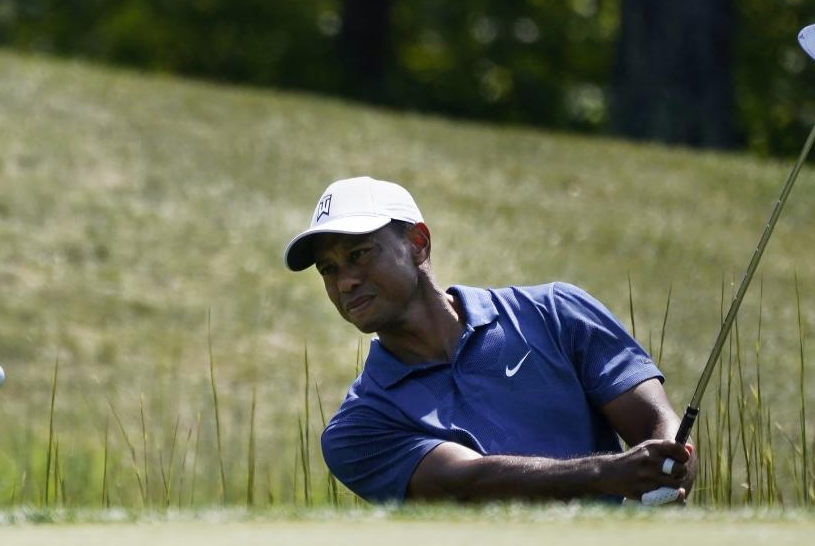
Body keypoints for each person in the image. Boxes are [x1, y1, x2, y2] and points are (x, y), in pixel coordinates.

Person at [284, 176, 696, 504]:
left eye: (359, 254)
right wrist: (609, 474)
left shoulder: (557, 312)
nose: (345, 281)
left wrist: (672, 465)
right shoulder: (358, 429)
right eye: (328, 269)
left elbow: (656, 424)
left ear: (417, 243)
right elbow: (466, 482)